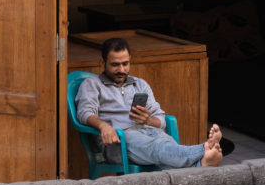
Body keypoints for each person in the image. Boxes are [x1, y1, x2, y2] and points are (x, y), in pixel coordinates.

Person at [75, 37, 224, 169]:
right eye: (115, 64)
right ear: (103, 62)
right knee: (158, 148)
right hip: (120, 139)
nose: (121, 69)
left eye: (125, 63)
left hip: (150, 132)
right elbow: (84, 113)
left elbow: (161, 120)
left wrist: (148, 120)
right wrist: (103, 125)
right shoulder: (92, 84)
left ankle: (202, 164)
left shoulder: (140, 84)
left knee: (166, 148)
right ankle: (203, 149)